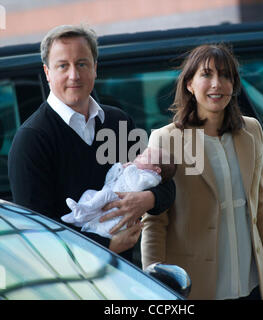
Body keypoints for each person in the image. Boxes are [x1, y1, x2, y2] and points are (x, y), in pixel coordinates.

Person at [141, 44, 263, 300]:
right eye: (207, 74)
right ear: (189, 84)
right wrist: (154, 289)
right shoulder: (165, 139)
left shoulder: (252, 131)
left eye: (226, 76)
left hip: (252, 285)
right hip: (198, 288)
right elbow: (155, 222)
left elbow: (261, 210)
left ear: (234, 85)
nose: (217, 83)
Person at [8, 24, 175, 262]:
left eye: (82, 63)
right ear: (47, 72)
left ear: (95, 68)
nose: (74, 75)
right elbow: (37, 233)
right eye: (63, 66)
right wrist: (107, 246)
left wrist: (147, 199)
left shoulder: (117, 121)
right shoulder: (32, 139)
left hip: (128, 276)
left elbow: (166, 183)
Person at [61, 147, 176, 239]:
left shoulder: (151, 178)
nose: (139, 155)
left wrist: (132, 168)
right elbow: (109, 179)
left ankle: (82, 212)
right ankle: (77, 214)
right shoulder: (138, 170)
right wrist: (119, 168)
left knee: (105, 195)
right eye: (141, 154)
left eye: (145, 157)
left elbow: (136, 185)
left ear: (157, 170)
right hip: (111, 196)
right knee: (89, 194)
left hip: (119, 201)